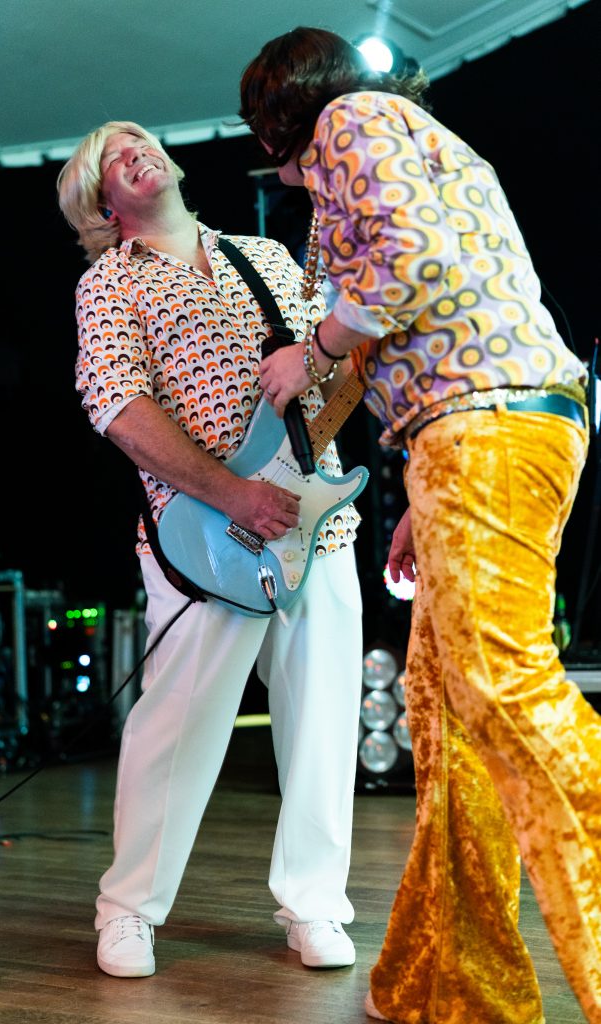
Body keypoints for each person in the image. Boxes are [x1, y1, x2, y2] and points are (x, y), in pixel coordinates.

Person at [239, 26, 601, 1024]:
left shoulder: (353, 120)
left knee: (495, 684)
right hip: (467, 435)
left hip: (486, 423)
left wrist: (310, 347)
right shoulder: (388, 147)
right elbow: (396, 326)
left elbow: (410, 259)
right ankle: (452, 988)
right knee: (443, 721)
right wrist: (416, 499)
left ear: (275, 116)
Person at [56, 120, 365, 979]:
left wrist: (342, 354)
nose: (134, 150)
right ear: (102, 205)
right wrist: (233, 494)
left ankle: (314, 905)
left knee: (324, 723)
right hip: (204, 538)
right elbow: (116, 406)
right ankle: (128, 911)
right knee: (178, 726)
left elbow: (335, 372)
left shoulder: (264, 257)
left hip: (318, 525)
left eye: (138, 138)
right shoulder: (110, 283)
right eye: (111, 157)